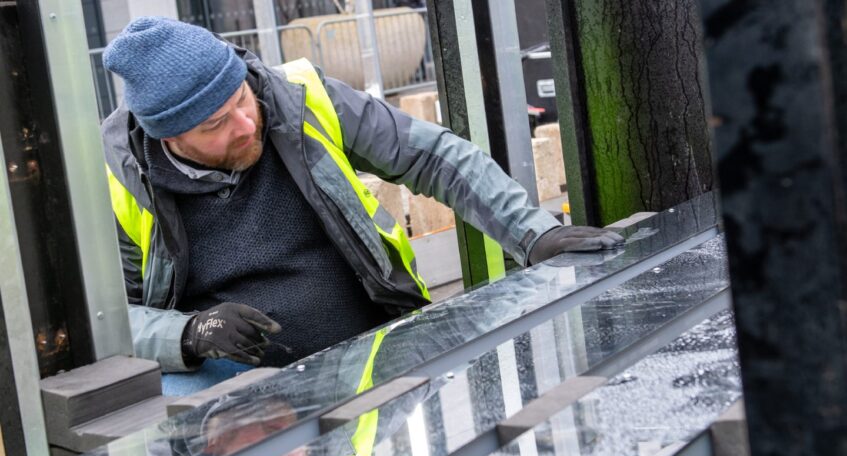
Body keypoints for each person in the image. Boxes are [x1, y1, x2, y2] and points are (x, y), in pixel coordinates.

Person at [101, 17, 623, 379]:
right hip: (232, 390)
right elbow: (111, 320)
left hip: (370, 349)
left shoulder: (299, 96)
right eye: (216, 124)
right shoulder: (121, 181)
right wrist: (190, 333)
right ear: (169, 138)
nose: (244, 124)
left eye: (241, 98)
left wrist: (535, 234)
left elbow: (433, 155)